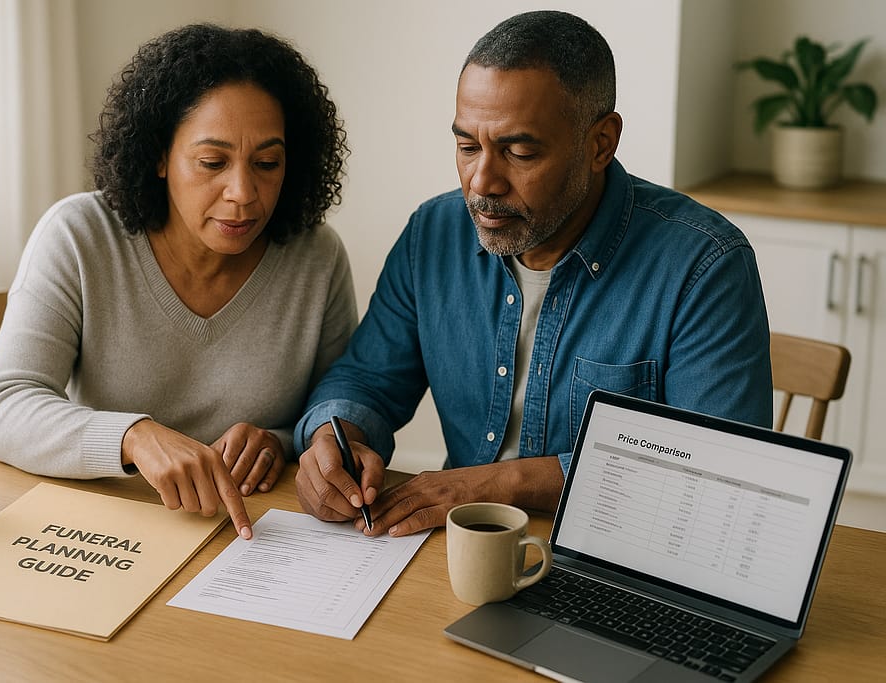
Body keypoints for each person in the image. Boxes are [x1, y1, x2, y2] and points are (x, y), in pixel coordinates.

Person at [294, 10, 772, 537]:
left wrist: (500, 484)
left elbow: (718, 472)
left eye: (518, 152)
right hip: (458, 547)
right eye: (467, 146)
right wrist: (332, 439)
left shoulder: (703, 264)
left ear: (600, 144)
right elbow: (368, 378)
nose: (482, 182)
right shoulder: (433, 234)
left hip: (616, 554)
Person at [0, 24, 356, 540]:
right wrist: (133, 436)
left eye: (267, 163)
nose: (243, 192)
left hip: (253, 532)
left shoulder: (316, 257)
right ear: (158, 156)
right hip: (108, 527)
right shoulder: (80, 236)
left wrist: (281, 441)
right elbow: (5, 407)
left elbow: (334, 414)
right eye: (211, 162)